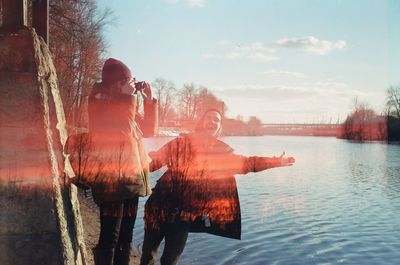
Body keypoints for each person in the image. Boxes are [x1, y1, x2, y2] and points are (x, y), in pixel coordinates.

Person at [140, 109, 295, 265]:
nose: (212, 121)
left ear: (219, 127)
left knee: (169, 261)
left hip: (184, 215)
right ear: (201, 122)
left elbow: (247, 163)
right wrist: (133, 163)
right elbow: (154, 161)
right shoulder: (182, 143)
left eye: (217, 120)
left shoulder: (221, 153)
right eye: (209, 118)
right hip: (159, 206)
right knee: (147, 257)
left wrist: (274, 161)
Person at [67, 58, 158, 265]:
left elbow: (150, 131)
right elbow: (122, 132)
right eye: (129, 80)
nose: (133, 84)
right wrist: (128, 98)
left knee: (126, 237)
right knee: (110, 237)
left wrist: (149, 101)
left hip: (131, 180)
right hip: (110, 182)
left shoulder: (126, 105)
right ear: (117, 82)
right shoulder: (100, 100)